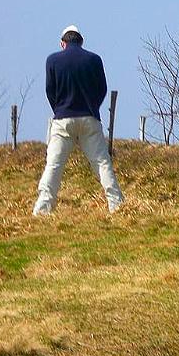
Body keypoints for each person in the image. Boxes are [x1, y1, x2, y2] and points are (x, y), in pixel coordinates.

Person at [33, 25, 124, 215]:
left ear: (62, 43)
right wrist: (93, 108)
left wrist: (59, 109)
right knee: (101, 163)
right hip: (89, 118)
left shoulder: (52, 60)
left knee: (54, 164)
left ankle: (43, 209)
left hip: (63, 119)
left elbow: (50, 90)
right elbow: (102, 89)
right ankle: (117, 205)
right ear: (81, 41)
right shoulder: (94, 59)